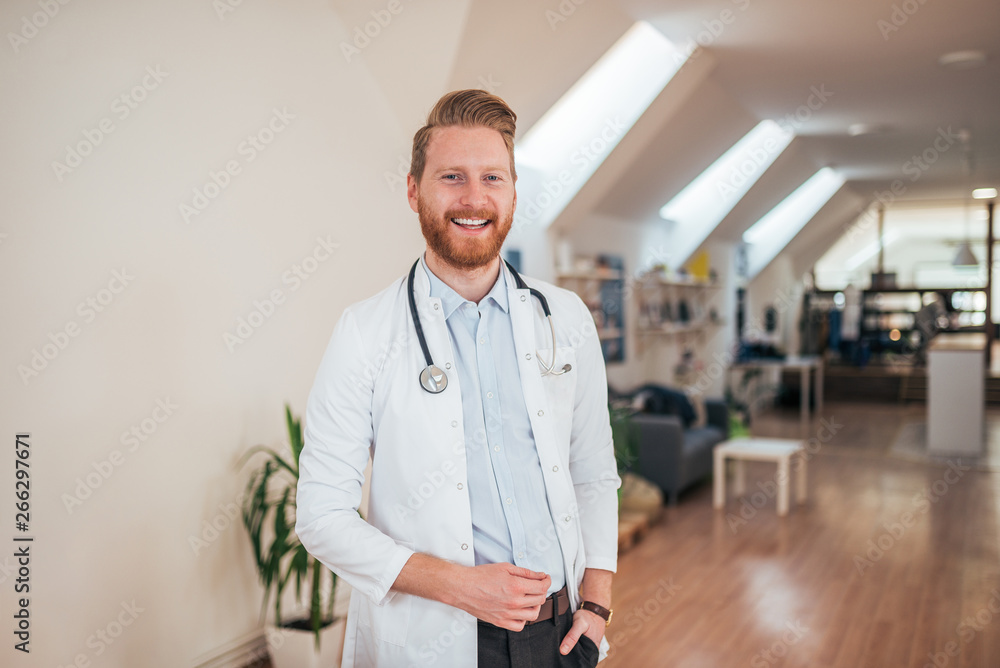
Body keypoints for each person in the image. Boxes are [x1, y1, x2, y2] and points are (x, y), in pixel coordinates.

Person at [295, 89, 620, 667]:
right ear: (414, 190)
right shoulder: (365, 332)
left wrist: (596, 606)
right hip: (437, 639)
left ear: (514, 191)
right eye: (452, 177)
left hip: (561, 636)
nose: (474, 198)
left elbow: (593, 473)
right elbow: (322, 516)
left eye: (493, 177)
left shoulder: (563, 318)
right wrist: (458, 585)